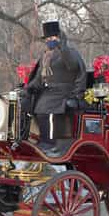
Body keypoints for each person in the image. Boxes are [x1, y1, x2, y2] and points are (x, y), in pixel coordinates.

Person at [24, 20, 87, 156]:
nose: (49, 41)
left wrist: (62, 46)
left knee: (46, 108)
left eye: (52, 38)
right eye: (47, 39)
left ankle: (52, 143)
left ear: (59, 37)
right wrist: (29, 87)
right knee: (36, 107)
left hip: (66, 91)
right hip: (49, 91)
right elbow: (40, 78)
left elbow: (73, 66)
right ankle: (43, 140)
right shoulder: (45, 56)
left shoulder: (69, 52)